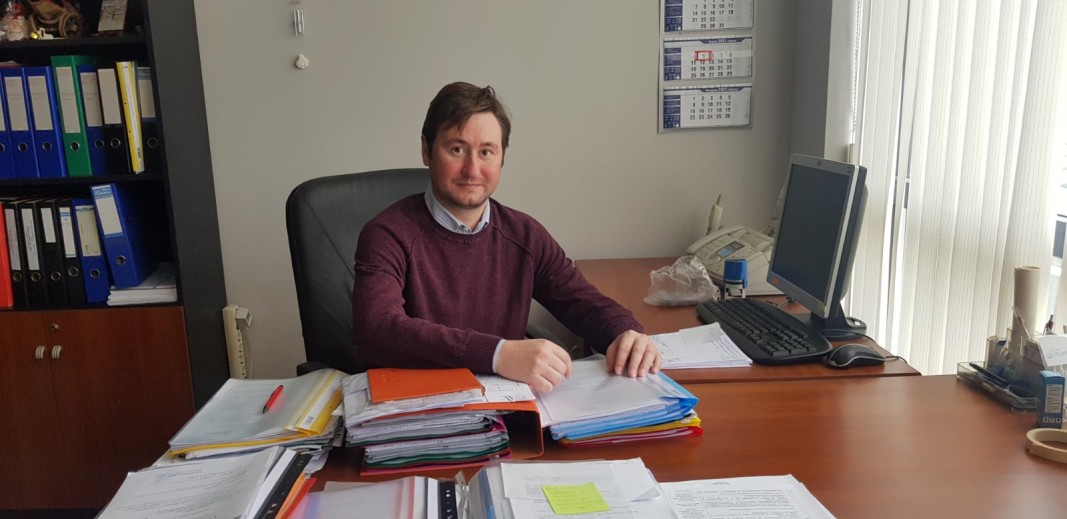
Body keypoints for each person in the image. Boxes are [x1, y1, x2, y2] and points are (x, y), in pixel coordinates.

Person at [351, 81, 661, 392]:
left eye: (486, 152)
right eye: (457, 149)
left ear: (501, 159)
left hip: (506, 404)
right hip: (420, 405)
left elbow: (582, 302)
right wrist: (497, 354)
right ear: (426, 150)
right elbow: (377, 330)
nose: (472, 170)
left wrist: (626, 332)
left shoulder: (524, 235)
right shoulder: (387, 234)